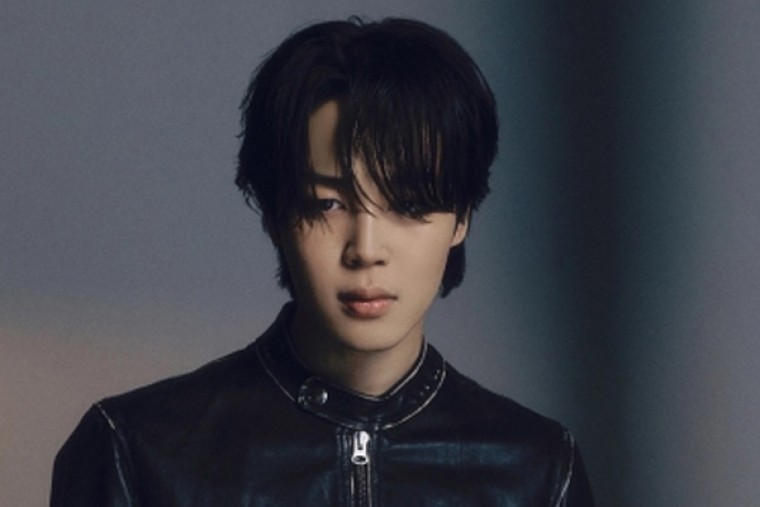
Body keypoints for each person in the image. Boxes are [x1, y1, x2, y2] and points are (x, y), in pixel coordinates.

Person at [51, 17, 594, 506]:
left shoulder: (536, 470)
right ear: (274, 213)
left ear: (462, 218)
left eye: (409, 205)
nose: (366, 249)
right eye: (327, 204)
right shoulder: (137, 451)